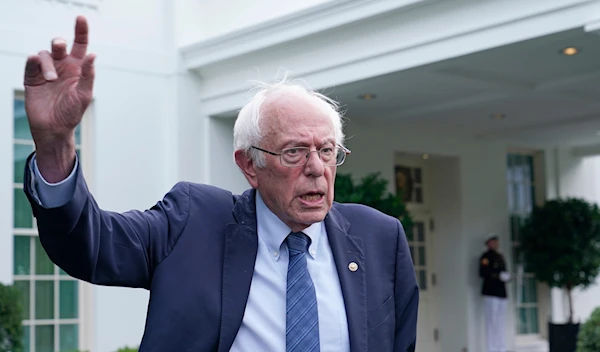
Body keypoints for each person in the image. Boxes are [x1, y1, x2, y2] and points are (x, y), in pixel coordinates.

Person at [21, 16, 419, 352]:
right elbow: (90, 246)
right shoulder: (193, 223)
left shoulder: (380, 238)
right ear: (250, 165)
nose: (316, 168)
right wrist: (55, 147)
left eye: (327, 151)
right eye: (295, 152)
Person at [479, 235, 511, 352]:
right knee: (491, 321)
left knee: (500, 321)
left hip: (501, 292)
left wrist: (506, 277)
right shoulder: (486, 257)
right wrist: (497, 276)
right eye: (494, 242)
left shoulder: (500, 256)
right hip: (490, 292)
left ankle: (501, 347)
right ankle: (492, 348)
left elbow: (503, 271)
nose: (496, 244)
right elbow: (483, 273)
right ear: (489, 243)